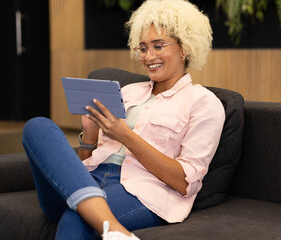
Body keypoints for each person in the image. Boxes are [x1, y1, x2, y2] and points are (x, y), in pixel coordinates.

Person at [22, 0, 225, 239]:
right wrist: (89, 135)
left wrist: (125, 136)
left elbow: (184, 182)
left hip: (142, 191)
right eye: (142, 48)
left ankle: (102, 220)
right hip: (87, 179)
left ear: (185, 48)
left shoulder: (203, 103)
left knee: (77, 216)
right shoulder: (127, 92)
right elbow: (86, 161)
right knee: (37, 126)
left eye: (158, 46)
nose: (149, 56)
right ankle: (115, 230)